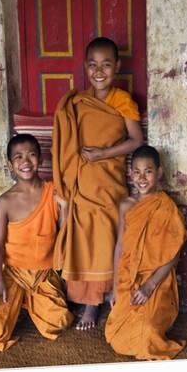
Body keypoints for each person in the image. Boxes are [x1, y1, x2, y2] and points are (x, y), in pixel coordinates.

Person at [51, 37, 143, 330]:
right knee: (82, 237)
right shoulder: (78, 102)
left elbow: (136, 141)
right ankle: (83, 297)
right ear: (85, 67)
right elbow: (67, 140)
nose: (99, 71)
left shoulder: (123, 100)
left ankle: (93, 304)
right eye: (93, 65)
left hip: (108, 181)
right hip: (82, 180)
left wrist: (103, 153)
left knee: (104, 236)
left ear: (117, 66)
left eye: (106, 64)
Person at [0, 134, 74, 351]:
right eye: (18, 157)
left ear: (40, 160)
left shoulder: (53, 191)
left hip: (43, 272)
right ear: (10, 165)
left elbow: (63, 233)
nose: (25, 161)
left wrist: (65, 208)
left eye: (31, 155)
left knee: (58, 322)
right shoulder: (5, 201)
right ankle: (19, 302)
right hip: (13, 272)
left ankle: (27, 304)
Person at [105, 145, 187, 360]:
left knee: (148, 331)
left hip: (157, 279)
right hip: (128, 276)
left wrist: (150, 285)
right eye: (137, 172)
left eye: (148, 171)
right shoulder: (125, 205)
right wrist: (115, 288)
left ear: (159, 173)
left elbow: (174, 254)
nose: (142, 178)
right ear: (130, 174)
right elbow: (120, 247)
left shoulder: (167, 207)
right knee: (115, 336)